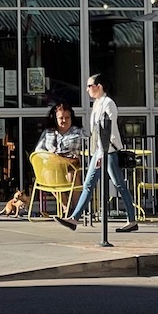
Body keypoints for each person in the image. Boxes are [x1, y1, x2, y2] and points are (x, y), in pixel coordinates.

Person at [54, 74, 138, 234]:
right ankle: (74, 218)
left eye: (89, 86)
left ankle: (132, 220)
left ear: (99, 86)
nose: (87, 89)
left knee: (119, 184)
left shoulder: (108, 103)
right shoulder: (98, 104)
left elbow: (108, 129)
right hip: (100, 151)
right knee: (89, 184)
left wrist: (101, 153)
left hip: (108, 151)